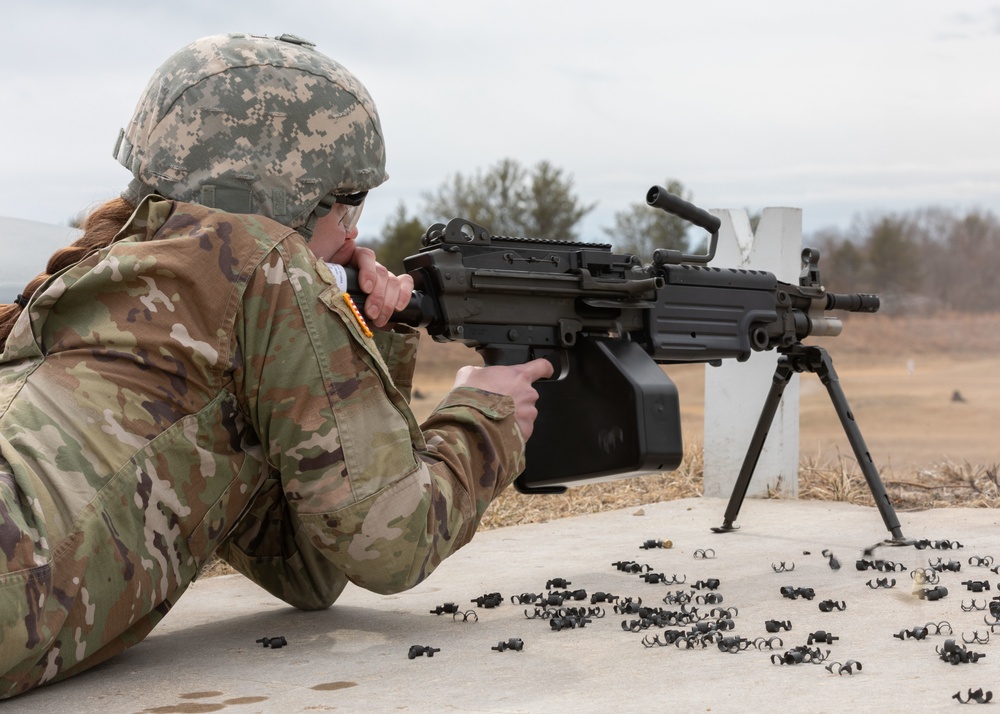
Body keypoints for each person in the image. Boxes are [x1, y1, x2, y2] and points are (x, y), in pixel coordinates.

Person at [0, 33, 552, 699]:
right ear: (285, 198)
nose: (352, 234)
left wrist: (365, 335)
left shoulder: (134, 279)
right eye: (347, 204)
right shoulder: (262, 261)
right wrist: (485, 419)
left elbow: (307, 571)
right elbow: (390, 542)